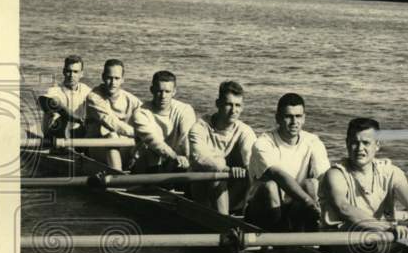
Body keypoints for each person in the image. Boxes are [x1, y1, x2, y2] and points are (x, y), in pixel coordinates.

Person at [321, 117, 408, 243]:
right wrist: (388, 228)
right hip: (344, 242)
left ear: (377, 145)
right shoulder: (335, 175)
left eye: (366, 143)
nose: (360, 148)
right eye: (354, 142)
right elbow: (344, 208)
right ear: (347, 143)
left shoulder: (391, 172)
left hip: (380, 237)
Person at [245, 93, 329, 231]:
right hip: (261, 211)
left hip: (294, 208)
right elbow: (278, 175)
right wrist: (308, 201)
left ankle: (313, 237)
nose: (294, 122)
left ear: (304, 118)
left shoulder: (313, 141)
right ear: (277, 118)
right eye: (288, 116)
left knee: (312, 183)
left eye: (298, 116)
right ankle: (278, 242)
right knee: (270, 186)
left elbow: (324, 178)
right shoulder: (263, 143)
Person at [188, 80, 257, 215]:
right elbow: (199, 158)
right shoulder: (199, 127)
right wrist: (228, 169)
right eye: (229, 104)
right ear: (218, 104)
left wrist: (249, 168)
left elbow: (251, 160)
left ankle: (246, 213)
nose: (234, 110)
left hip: (232, 189)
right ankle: (225, 222)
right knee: (216, 177)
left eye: (238, 105)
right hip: (202, 188)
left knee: (253, 171)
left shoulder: (245, 131)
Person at [130, 70, 197, 173]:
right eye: (159, 91)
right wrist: (175, 157)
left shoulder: (185, 110)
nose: (163, 96)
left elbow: (186, 137)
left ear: (174, 92)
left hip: (174, 163)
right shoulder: (140, 113)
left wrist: (187, 159)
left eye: (167, 92)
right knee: (152, 154)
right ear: (152, 90)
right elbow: (153, 141)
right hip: (145, 165)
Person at [85, 59, 143, 170]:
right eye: (109, 78)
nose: (113, 83)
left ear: (122, 80)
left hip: (124, 146)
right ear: (103, 77)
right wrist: (138, 134)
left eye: (117, 78)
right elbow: (112, 123)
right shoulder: (93, 97)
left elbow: (148, 118)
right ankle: (117, 181)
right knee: (112, 135)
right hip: (97, 147)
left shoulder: (131, 99)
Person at [38, 54, 91, 140]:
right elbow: (41, 101)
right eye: (68, 71)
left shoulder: (86, 91)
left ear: (81, 74)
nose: (71, 75)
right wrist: (76, 119)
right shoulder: (54, 90)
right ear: (63, 72)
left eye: (75, 72)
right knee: (59, 110)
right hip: (55, 133)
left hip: (76, 133)